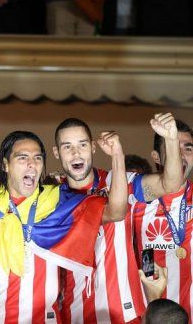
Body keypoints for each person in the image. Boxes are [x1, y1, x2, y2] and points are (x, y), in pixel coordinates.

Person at [0, 130, 116, 323]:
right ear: (6, 165)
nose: (32, 164)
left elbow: (116, 212)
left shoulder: (58, 202)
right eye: (22, 157)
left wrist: (117, 156)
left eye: (37, 158)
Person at [55, 114, 182, 323]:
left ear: (93, 148)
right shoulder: (51, 196)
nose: (75, 152)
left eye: (82, 144)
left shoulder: (121, 181)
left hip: (126, 315)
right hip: (73, 315)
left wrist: (171, 139)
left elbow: (171, 183)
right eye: (67, 146)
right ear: (56, 152)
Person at [133, 119, 193, 315]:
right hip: (152, 313)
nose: (181, 155)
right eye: (173, 146)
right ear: (156, 157)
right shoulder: (138, 198)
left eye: (188, 148)